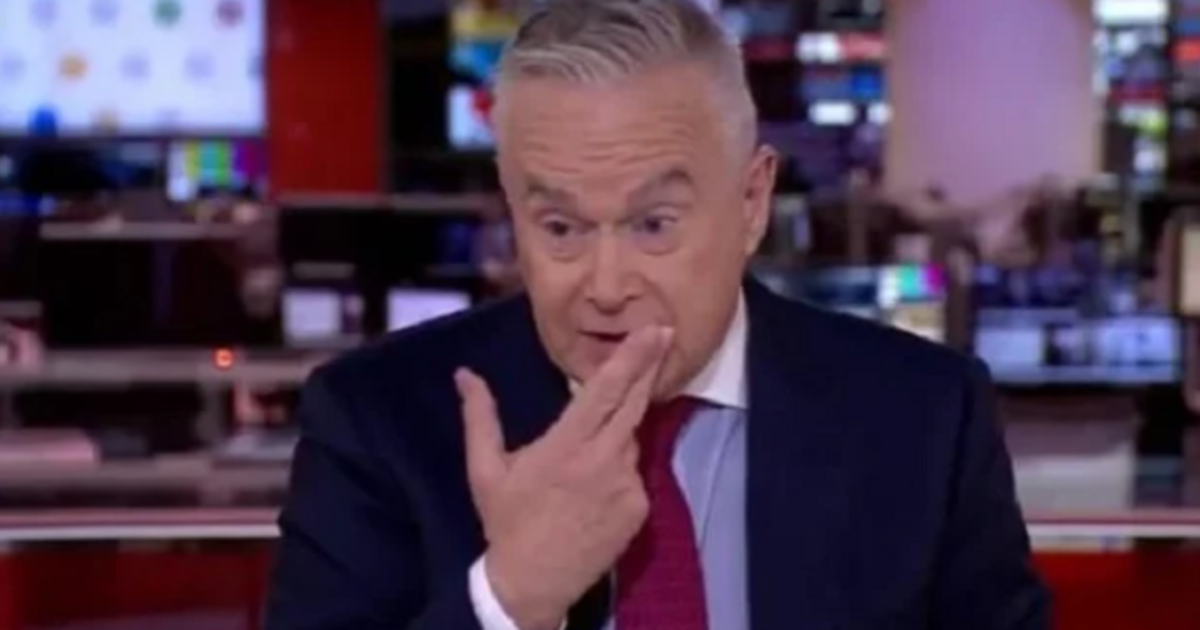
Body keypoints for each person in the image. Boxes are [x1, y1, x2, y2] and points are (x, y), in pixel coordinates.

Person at [265, 1, 1051, 629]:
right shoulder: (378, 420)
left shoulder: (922, 414)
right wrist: (509, 599)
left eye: (654, 224)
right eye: (560, 227)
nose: (606, 286)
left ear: (752, 202)